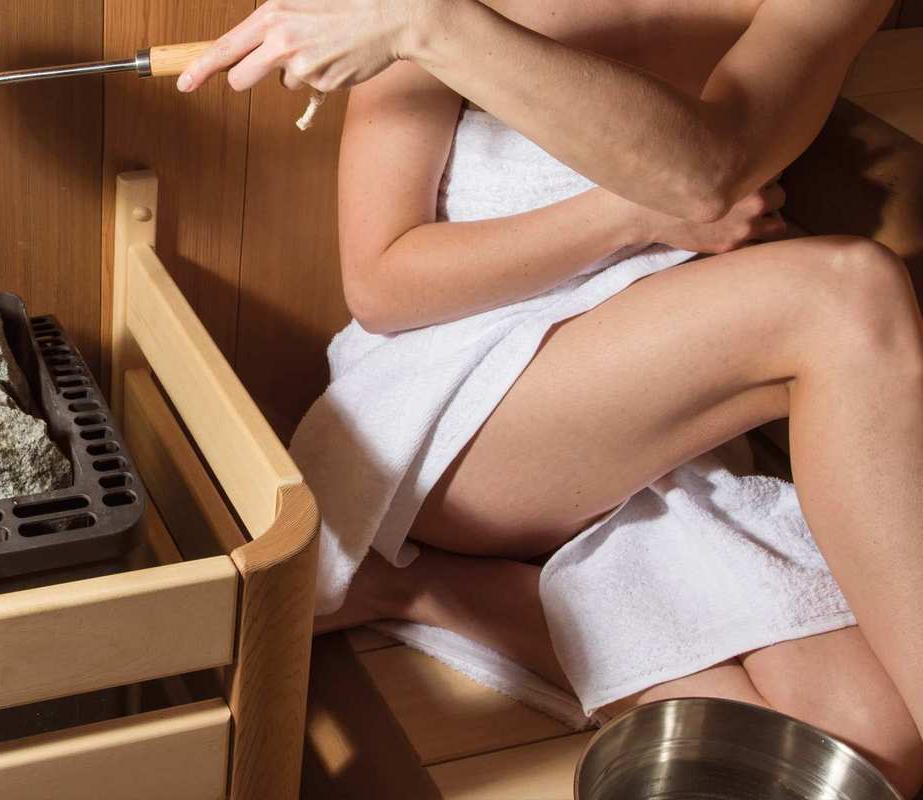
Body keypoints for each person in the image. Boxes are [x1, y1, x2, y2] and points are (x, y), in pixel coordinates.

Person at [180, 0, 923, 790]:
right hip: (461, 396)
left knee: (870, 745)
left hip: (671, 407)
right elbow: (382, 283)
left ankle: (421, 588)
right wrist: (630, 215)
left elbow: (712, 172)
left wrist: (429, 23)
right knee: (845, 296)